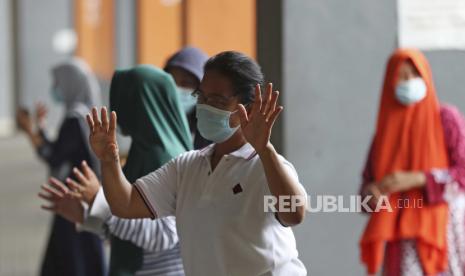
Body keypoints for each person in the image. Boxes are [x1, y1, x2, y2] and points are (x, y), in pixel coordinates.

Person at [86, 51, 308, 275]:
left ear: (248, 109)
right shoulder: (186, 167)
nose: (205, 106)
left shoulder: (264, 165)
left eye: (218, 100)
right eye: (202, 97)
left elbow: (294, 214)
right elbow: (125, 204)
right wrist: (108, 160)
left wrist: (265, 149)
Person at [40, 65, 191, 275]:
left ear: (138, 103)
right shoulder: (143, 152)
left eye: (121, 99)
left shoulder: (163, 158)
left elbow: (162, 236)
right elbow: (129, 230)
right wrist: (86, 215)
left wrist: (98, 201)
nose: (115, 111)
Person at [359, 48, 465, 275]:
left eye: (415, 75)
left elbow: (462, 173)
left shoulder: (445, 120)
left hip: (445, 234)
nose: (409, 82)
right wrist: (373, 194)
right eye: (401, 76)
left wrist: (414, 179)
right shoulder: (383, 136)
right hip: (400, 238)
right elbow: (365, 195)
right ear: (390, 82)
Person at [17, 58, 105, 276]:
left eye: (57, 83)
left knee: (71, 261)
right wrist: (41, 129)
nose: (54, 89)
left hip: (74, 200)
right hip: (84, 198)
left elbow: (54, 157)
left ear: (70, 82)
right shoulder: (84, 114)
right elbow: (61, 151)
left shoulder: (75, 118)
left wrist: (30, 131)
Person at [164, 46, 211, 148]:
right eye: (170, 82)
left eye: (186, 83)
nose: (176, 88)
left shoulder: (212, 131)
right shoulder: (155, 122)